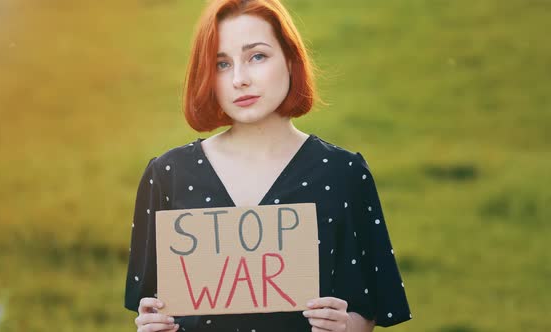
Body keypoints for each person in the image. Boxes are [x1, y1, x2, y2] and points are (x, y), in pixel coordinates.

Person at [124, 0, 412, 331]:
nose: (239, 79)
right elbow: (151, 306)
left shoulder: (344, 173)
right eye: (221, 64)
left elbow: (368, 308)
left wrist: (346, 325)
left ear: (290, 59)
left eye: (256, 56)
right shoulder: (167, 175)